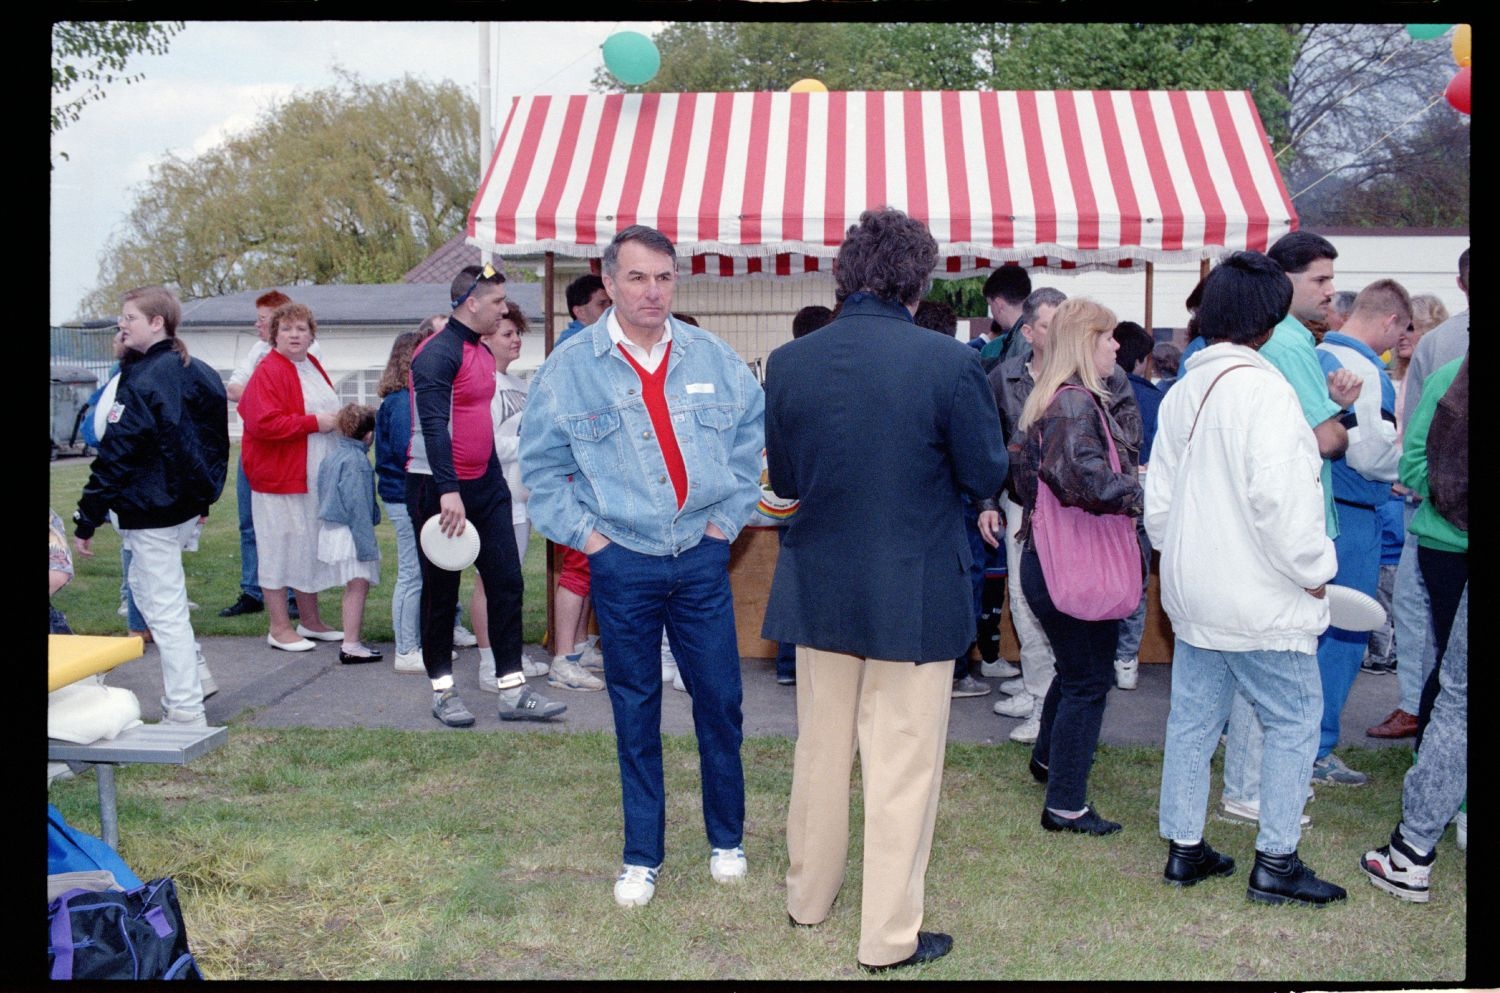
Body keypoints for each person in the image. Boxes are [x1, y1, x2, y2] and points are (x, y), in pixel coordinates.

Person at [763, 207, 1007, 971]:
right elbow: (985, 473)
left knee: (821, 752)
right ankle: (888, 937)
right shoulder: (948, 363)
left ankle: (809, 897)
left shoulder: (791, 361)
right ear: (920, 278)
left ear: (844, 273)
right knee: (902, 765)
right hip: (915, 585)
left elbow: (789, 480)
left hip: (820, 582)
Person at [520, 224, 764, 910]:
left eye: (663, 277)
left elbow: (750, 444)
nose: (651, 290)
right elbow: (541, 473)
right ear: (608, 284)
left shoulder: (713, 357)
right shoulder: (570, 370)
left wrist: (723, 525)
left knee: (720, 701)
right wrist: (593, 542)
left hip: (701, 559)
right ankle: (641, 854)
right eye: (636, 277)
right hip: (622, 563)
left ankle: (727, 839)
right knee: (635, 708)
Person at [1146, 251, 1344, 906]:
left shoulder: (1184, 390)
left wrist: (1181, 563)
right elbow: (1282, 500)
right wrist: (1316, 569)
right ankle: (1277, 859)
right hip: (1261, 595)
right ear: (1269, 316)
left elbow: (1161, 505)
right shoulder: (1263, 390)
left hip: (1196, 590)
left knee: (1194, 718)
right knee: (1294, 719)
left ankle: (1184, 846)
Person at [1217, 231, 1365, 819]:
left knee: (1254, 664)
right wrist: (1341, 416)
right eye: (1321, 281)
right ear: (1284, 283)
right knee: (1276, 660)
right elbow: (1327, 439)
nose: (1332, 293)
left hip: (1264, 528)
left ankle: (1249, 782)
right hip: (1288, 528)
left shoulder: (1275, 344)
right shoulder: (1289, 343)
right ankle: (1253, 788)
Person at [408, 264, 567, 728]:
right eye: (496, 302)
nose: (503, 309)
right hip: (437, 488)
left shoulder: (479, 351)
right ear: (471, 302)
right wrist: (448, 490)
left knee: (507, 583)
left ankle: (512, 688)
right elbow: (435, 425)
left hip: (487, 483)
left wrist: (485, 481)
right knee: (441, 594)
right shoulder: (435, 355)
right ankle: (443, 691)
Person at [1008, 297, 1142, 836]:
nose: (1116, 345)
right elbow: (1084, 479)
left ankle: (1048, 760)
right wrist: (1142, 492)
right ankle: (1065, 804)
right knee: (1089, 680)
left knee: (1074, 670)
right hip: (1078, 568)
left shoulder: (1051, 400)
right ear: (1085, 342)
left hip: (1049, 563)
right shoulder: (1074, 405)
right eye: (1107, 336)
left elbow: (1024, 478)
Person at [72, 286, 229, 727]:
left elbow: (117, 454)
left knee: (165, 607)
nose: (122, 324)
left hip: (153, 509)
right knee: (145, 589)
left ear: (157, 322)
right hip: (176, 505)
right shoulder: (197, 372)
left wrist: (87, 517)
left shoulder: (145, 381)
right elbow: (212, 446)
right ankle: (193, 677)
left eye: (130, 318)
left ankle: (184, 708)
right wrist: (203, 497)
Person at [1309, 280, 1408, 773]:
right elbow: (1371, 454)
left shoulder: (1315, 353)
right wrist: (1406, 468)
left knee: (1301, 631)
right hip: (1352, 513)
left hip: (1312, 508)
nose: (1397, 345)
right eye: (1400, 332)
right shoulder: (1368, 370)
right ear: (1390, 320)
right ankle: (1318, 747)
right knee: (1346, 631)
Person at [468, 301, 589, 692]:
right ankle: (489, 662)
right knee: (491, 580)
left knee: (510, 579)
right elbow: (478, 442)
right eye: (507, 334)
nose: (516, 340)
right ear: (485, 338)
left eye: (518, 333)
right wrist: (526, 444)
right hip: (491, 493)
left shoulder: (518, 384)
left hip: (520, 495)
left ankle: (508, 652)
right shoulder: (478, 383)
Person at [1375, 247, 1468, 741]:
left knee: (1441, 639)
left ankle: (1423, 724)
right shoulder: (1444, 358)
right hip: (1440, 529)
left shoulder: (1441, 356)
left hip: (1437, 525)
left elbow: (1413, 453)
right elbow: (1415, 451)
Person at [237, 302, 348, 652]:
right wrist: (317, 422)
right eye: (287, 329)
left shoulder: (311, 365)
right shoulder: (269, 369)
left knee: (307, 545)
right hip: (281, 476)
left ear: (311, 334)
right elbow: (263, 423)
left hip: (313, 475)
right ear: (274, 334)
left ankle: (310, 620)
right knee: (278, 547)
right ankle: (278, 626)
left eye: (301, 328)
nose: (295, 335)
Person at [219, 290, 307, 619]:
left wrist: (260, 400)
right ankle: (253, 589)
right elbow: (233, 389)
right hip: (254, 446)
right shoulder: (258, 351)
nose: (258, 326)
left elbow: (294, 404)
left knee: (291, 526)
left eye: (264, 319)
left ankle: (295, 595)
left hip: (287, 451)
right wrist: (262, 398)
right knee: (249, 523)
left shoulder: (304, 353)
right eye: (257, 319)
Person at [375, 324, 439, 675]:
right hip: (403, 495)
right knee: (412, 572)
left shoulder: (405, 400)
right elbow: (407, 449)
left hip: (411, 493)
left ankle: (424, 639)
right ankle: (406, 648)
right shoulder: (401, 403)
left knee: (427, 568)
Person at [1108, 320, 1162, 693]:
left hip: (1103, 501)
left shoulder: (1092, 393)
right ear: (1142, 360)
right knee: (1136, 583)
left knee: (1102, 578)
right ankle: (1126, 658)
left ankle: (1101, 652)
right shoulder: (1159, 401)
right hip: (1143, 500)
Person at [316, 403, 383, 664]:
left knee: (352, 587)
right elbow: (359, 509)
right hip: (349, 533)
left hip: (333, 529)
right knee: (358, 586)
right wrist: (367, 548)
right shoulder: (358, 462)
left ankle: (351, 640)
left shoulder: (332, 457)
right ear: (368, 435)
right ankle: (351, 643)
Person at [976, 266, 1033, 371]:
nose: (992, 312)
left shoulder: (1023, 338)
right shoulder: (1028, 332)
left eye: (990, 305)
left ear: (999, 304)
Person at [555, 272, 611, 348]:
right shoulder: (574, 345)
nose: (610, 308)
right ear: (580, 312)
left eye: (610, 303)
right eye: (601, 304)